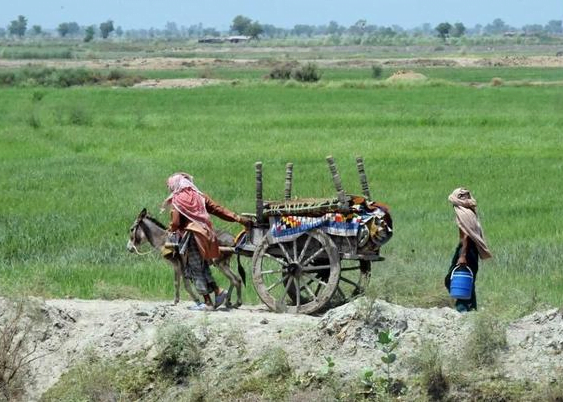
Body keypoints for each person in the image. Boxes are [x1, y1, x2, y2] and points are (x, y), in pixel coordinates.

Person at [161, 172, 251, 311]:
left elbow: (176, 222)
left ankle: (208, 303)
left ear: (175, 185)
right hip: (207, 235)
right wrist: (237, 218)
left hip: (192, 237)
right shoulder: (199, 196)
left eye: (170, 186)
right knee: (203, 267)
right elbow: (217, 209)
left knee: (195, 268)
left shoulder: (178, 199)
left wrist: (171, 228)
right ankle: (218, 292)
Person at [445, 187, 492, 312]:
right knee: (468, 279)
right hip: (472, 251)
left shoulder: (462, 213)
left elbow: (466, 235)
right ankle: (472, 308)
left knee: (456, 278)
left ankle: (463, 308)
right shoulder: (470, 212)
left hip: (466, 249)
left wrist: (462, 255)